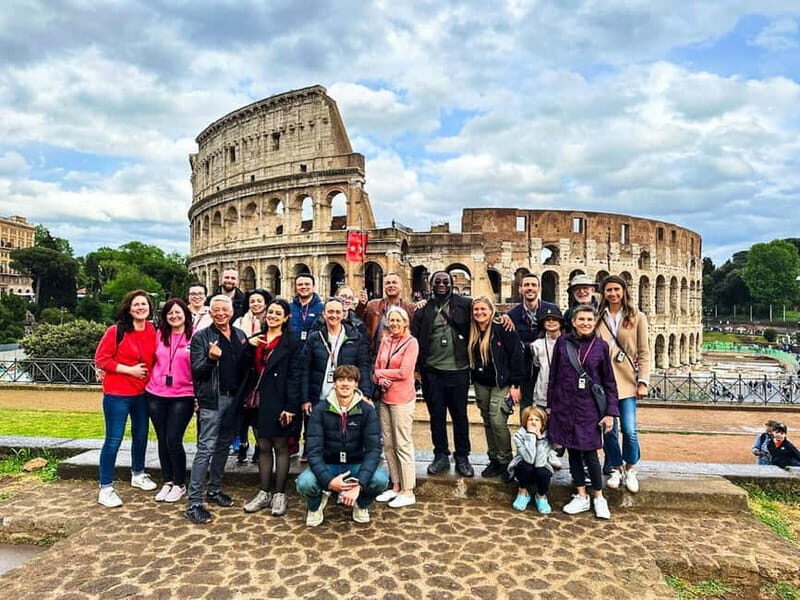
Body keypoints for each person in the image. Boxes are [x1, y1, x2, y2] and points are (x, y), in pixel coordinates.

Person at [185, 295, 253, 524]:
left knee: (224, 446)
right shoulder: (202, 338)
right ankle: (194, 502)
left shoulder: (240, 336)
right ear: (210, 313)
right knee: (205, 448)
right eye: (216, 309)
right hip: (212, 400)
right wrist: (211, 359)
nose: (221, 313)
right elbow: (197, 372)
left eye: (225, 309)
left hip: (234, 400)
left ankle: (214, 490)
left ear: (232, 311)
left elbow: (245, 368)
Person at [548, 305, 619, 519]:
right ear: (573, 321)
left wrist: (609, 413)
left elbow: (608, 381)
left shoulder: (601, 346)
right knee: (573, 453)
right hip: (565, 405)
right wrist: (550, 405)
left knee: (590, 453)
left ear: (594, 321)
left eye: (590, 319)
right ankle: (581, 496)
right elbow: (554, 376)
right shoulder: (563, 343)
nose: (586, 323)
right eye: (582, 319)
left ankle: (598, 497)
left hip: (589, 408)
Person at [295, 365, 389, 526]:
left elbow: (374, 450)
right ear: (334, 383)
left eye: (350, 380)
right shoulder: (320, 410)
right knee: (305, 483)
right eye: (340, 380)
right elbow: (313, 451)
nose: (345, 384)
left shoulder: (367, 410)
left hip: (356, 465)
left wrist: (359, 484)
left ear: (356, 384)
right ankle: (315, 506)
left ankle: (361, 504)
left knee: (380, 479)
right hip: (328, 464)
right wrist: (329, 481)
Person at [93, 289, 158, 507]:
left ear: (150, 308)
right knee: (113, 439)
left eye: (144, 304)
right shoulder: (116, 331)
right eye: (136, 304)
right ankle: (106, 487)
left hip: (142, 393)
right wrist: (128, 370)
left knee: (141, 435)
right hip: (117, 393)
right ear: (129, 309)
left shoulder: (153, 330)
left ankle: (138, 474)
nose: (141, 308)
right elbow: (102, 359)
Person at [411, 270, 475, 477]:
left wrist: (504, 320)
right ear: (431, 285)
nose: (441, 284)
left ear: (451, 283)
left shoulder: (465, 304)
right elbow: (415, 339)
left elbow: (485, 312)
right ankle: (440, 455)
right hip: (433, 371)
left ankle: (462, 456)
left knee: (460, 416)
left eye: (445, 281)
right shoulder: (423, 310)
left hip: (458, 370)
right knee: (436, 416)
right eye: (437, 281)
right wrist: (417, 369)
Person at [242, 299, 301, 517]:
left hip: (280, 400)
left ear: (286, 318)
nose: (273, 316)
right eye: (270, 312)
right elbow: (245, 368)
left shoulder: (291, 342)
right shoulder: (256, 340)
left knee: (281, 447)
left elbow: (295, 375)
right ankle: (263, 492)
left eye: (278, 313)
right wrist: (249, 348)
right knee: (263, 447)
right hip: (258, 400)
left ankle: (279, 494)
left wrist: (290, 406)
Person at [596, 275, 650, 493]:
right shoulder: (598, 316)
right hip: (604, 381)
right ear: (604, 293)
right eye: (609, 290)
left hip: (627, 380)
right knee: (609, 430)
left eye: (616, 289)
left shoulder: (637, 317)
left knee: (629, 430)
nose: (613, 294)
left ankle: (631, 469)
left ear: (624, 291)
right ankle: (616, 469)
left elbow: (644, 352)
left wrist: (643, 381)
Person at [468, 296, 524, 480]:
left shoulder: (503, 328)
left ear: (492, 311)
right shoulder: (472, 329)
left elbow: (516, 355)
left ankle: (505, 460)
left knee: (498, 420)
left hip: (502, 382)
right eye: (476, 309)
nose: (479, 313)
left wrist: (516, 384)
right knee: (487, 421)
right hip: (481, 382)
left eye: (483, 309)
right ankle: (493, 458)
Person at [145, 298, 194, 503]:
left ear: (185, 314)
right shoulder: (159, 335)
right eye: (170, 313)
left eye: (178, 312)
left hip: (183, 394)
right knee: (163, 439)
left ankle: (180, 483)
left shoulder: (195, 337)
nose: (174, 316)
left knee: (174, 439)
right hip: (156, 393)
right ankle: (168, 480)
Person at [373, 306, 419, 508]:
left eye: (398, 320)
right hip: (385, 396)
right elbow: (375, 369)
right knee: (389, 443)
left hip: (402, 398)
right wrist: (380, 378)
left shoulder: (411, 343)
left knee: (403, 443)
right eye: (391, 321)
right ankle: (396, 485)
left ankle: (409, 490)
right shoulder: (385, 340)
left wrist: (382, 374)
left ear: (405, 322)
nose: (394, 324)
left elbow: (404, 372)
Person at [301, 298, 372, 427]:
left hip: (346, 398)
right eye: (330, 312)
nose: (334, 315)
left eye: (338, 312)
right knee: (314, 437)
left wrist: (366, 394)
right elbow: (304, 369)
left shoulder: (355, 338)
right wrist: (305, 399)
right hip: (318, 397)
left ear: (343, 314)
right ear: (324, 314)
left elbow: (364, 367)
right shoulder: (315, 338)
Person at [233, 288, 274, 465]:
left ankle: (259, 445)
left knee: (258, 413)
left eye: (259, 301)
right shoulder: (240, 321)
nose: (256, 304)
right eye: (252, 301)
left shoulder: (272, 319)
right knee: (243, 411)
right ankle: (242, 442)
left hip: (264, 374)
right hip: (244, 374)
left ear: (266, 303)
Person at [506, 273, 559, 410]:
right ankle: (527, 431)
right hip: (524, 367)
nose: (530, 288)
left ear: (539, 288)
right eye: (526, 285)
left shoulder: (551, 309)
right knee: (526, 407)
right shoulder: (512, 314)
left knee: (552, 405)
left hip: (549, 364)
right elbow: (510, 346)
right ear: (520, 289)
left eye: (533, 285)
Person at [289, 273, 325, 459]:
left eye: (306, 284)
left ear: (313, 286)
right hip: (292, 362)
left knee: (311, 405)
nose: (303, 287)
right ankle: (292, 443)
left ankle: (309, 446)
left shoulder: (322, 308)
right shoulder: (289, 308)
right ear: (295, 287)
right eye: (300, 284)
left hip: (314, 362)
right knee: (293, 404)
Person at [529, 306, 565, 470]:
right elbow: (537, 364)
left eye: (554, 320)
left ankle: (556, 451)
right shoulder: (536, 345)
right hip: (543, 388)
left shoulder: (568, 342)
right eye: (547, 320)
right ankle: (546, 452)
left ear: (560, 323)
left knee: (559, 421)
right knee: (543, 422)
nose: (551, 322)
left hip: (564, 389)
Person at [356, 272, 417, 355]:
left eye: (394, 282)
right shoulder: (373, 305)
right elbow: (359, 321)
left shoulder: (410, 308)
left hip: (401, 355)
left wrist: (423, 304)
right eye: (388, 283)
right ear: (384, 287)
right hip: (376, 355)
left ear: (401, 286)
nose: (391, 285)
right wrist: (361, 306)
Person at [508, 406, 554, 513]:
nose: (533, 422)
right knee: (526, 467)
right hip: (524, 465)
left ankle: (541, 496)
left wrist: (539, 440)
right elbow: (529, 459)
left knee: (543, 472)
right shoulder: (519, 435)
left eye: (537, 420)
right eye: (530, 419)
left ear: (542, 423)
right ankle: (522, 492)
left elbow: (539, 463)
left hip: (541, 465)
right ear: (525, 422)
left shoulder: (548, 437)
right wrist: (530, 436)